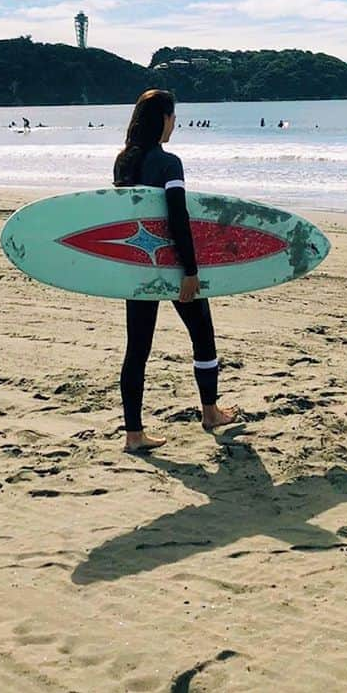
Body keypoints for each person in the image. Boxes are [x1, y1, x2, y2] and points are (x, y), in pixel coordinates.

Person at [113, 90, 237, 453]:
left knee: (137, 348)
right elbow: (177, 217)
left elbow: (125, 216)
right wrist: (190, 270)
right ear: (164, 118)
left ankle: (133, 434)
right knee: (202, 333)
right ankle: (210, 412)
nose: (175, 123)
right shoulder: (169, 164)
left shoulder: (124, 162)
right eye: (173, 115)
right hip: (170, 264)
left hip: (137, 264)